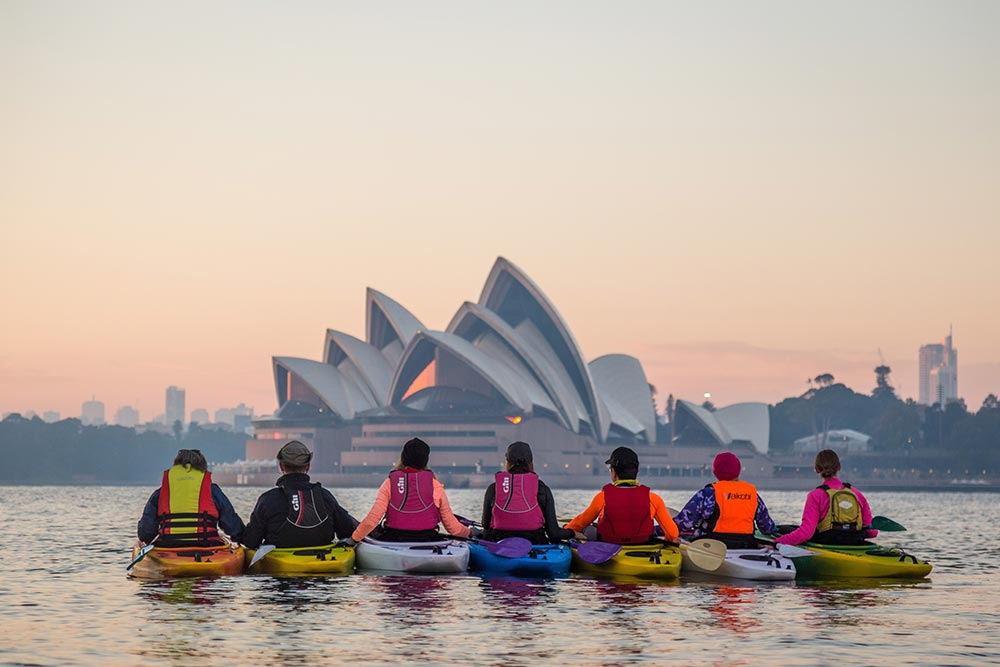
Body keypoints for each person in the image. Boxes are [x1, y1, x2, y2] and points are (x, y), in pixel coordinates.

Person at [344, 437, 473, 544]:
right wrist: (471, 533)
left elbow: (373, 519)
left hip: (394, 539)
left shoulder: (390, 482)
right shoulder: (435, 486)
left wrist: (353, 540)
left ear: (403, 457)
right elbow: (452, 528)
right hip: (428, 540)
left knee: (356, 523)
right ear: (425, 460)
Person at [242, 440, 358, 549]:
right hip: (324, 559)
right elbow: (347, 531)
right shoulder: (325, 496)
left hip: (280, 560)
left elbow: (251, 541)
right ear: (307, 467)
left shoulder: (267, 500)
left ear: (281, 466)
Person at [564, 446, 679, 544]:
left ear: (613, 472)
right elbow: (673, 534)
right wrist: (666, 545)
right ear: (637, 471)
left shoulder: (602, 497)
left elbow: (580, 523)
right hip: (644, 546)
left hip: (608, 545)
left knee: (587, 529)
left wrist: (566, 529)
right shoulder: (654, 499)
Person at [480, 441, 583, 544]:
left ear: (507, 462)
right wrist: (572, 533)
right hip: (534, 543)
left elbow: (485, 524)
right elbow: (553, 533)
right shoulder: (542, 489)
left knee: (484, 532)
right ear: (530, 463)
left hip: (498, 541)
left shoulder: (494, 488)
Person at [137, 449, 245, 547]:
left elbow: (146, 532)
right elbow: (231, 524)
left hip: (169, 544)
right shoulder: (213, 491)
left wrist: (144, 540)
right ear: (202, 468)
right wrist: (244, 539)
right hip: (207, 545)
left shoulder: (160, 493)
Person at [673, 451, 777, 549]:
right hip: (745, 545)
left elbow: (684, 523)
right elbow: (767, 528)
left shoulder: (708, 494)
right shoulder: (753, 495)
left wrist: (658, 530)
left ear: (715, 472)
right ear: (738, 471)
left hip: (711, 545)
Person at [776, 449, 879, 546]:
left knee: (784, 530)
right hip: (854, 542)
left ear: (816, 469)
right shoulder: (857, 494)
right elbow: (872, 532)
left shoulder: (815, 495)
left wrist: (777, 543)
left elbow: (806, 533)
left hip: (827, 543)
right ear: (839, 467)